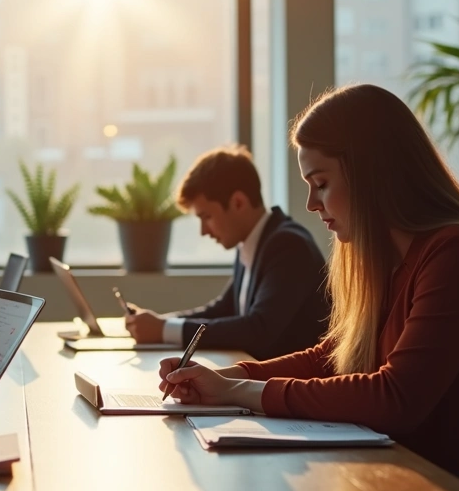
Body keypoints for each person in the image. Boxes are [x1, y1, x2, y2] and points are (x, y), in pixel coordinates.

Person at [159, 84, 459, 474]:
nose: (311, 203)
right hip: (429, 479)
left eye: (321, 183)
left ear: (372, 174)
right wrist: (228, 378)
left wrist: (237, 393)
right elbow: (333, 356)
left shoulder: (458, 253)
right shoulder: (387, 259)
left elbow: (396, 397)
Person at [124, 145, 329, 359]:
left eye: (206, 217)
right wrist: (161, 323)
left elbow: (257, 329)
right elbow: (224, 309)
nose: (203, 231)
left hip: (292, 385)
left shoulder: (288, 245)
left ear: (238, 203)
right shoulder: (254, 242)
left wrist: (164, 329)